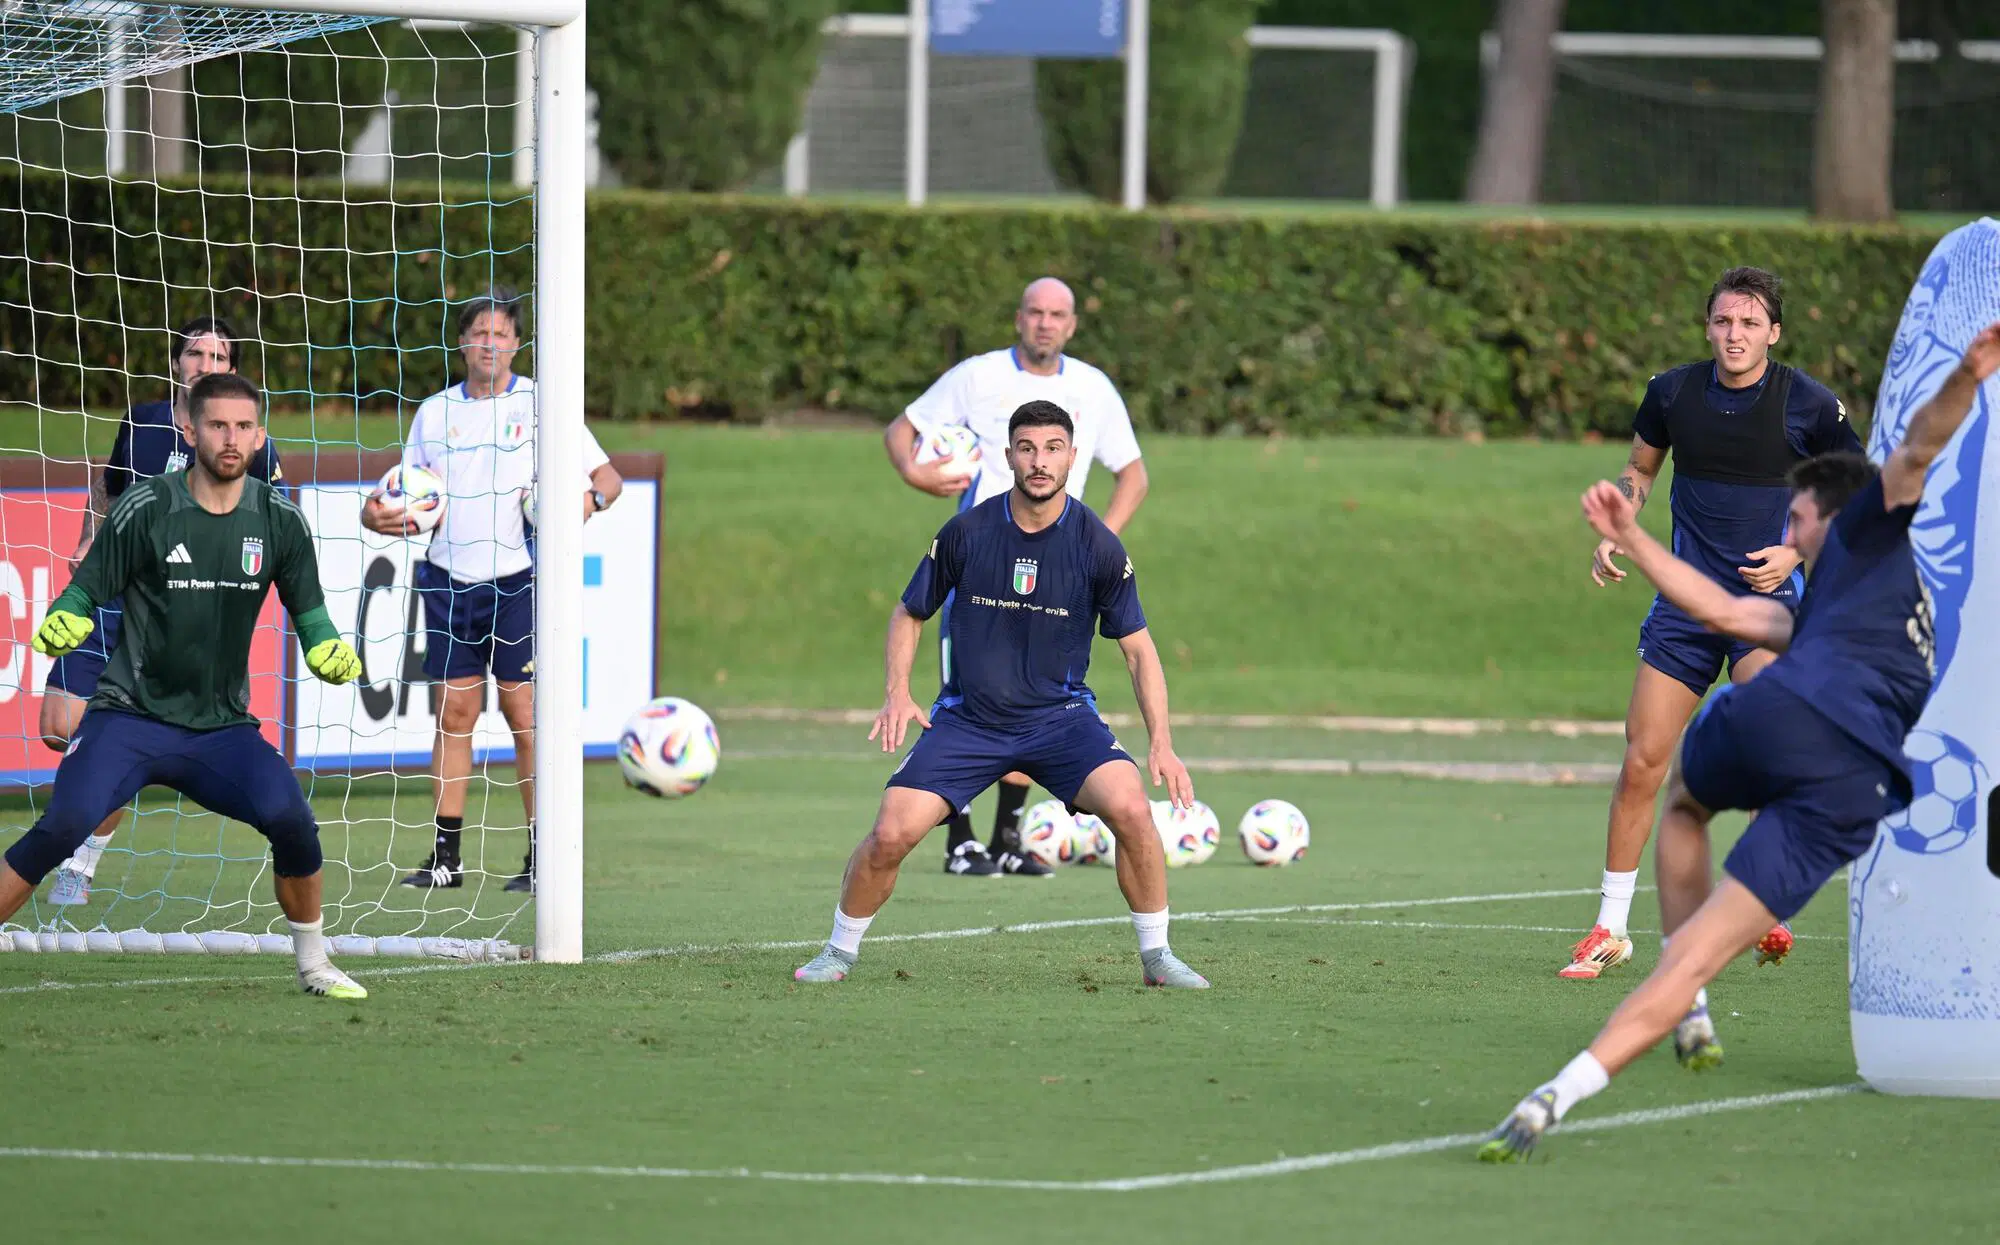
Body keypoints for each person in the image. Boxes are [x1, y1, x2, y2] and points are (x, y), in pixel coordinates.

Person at [1479, 321, 2000, 1163]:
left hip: (1780, 722)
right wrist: (1642, 537)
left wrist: (1971, 376)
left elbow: (1918, 445)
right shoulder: (1834, 598)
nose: (1789, 534)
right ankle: (1572, 1083)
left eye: (1797, 519)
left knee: (1681, 801)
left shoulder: (1869, 523)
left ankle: (1620, 1051)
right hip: (1848, 787)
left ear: (1835, 510)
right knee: (1693, 945)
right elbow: (1723, 611)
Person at [793, 399, 1207, 989]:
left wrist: (1162, 743)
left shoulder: (1098, 545)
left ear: (1071, 456)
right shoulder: (968, 532)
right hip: (970, 722)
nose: (1040, 462)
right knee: (890, 834)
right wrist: (897, 691)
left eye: (1053, 449)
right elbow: (909, 613)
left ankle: (1158, 958)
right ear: (1008, 454)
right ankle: (838, 952)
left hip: (1061, 720)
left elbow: (1139, 650)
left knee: (1134, 810)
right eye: (1028, 448)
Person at [8, 373, 366, 998]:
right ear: (191, 429)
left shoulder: (279, 519)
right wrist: (69, 613)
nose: (231, 439)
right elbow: (87, 585)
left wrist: (326, 648)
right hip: (129, 719)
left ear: (259, 438)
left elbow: (310, 613)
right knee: (61, 829)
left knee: (294, 824)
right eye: (218, 425)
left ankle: (314, 964)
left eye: (244, 427)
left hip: (222, 729)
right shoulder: (145, 508)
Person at [1562, 266, 1862, 980]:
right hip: (1684, 606)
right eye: (1725, 321)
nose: (1736, 334)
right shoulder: (1673, 393)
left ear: (1774, 333)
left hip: (1764, 609)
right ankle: (1608, 927)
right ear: (1708, 326)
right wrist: (1619, 524)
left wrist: (1795, 548)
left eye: (1750, 323)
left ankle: (1764, 907)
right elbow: (1641, 466)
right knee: (1643, 760)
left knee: (1763, 750)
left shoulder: (1809, 404)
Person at [882, 277, 1150, 878]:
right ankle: (961, 842)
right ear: (1018, 318)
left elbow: (1133, 474)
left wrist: (1091, 546)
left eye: (1057, 314)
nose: (1045, 323)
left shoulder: (1092, 389)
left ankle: (1006, 838)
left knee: (1043, 696)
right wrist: (917, 475)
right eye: (1035, 312)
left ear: (1072, 324)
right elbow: (900, 432)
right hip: (984, 568)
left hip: (1059, 579)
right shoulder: (977, 376)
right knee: (974, 697)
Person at [362, 287, 622, 895]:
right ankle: (446, 857)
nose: (489, 343)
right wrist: (378, 516)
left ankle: (542, 855)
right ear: (462, 342)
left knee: (524, 712)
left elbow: (608, 478)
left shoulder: (542, 403)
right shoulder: (433, 412)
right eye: (479, 332)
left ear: (517, 344)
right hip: (446, 579)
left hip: (519, 581)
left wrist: (585, 504)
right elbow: (405, 495)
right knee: (455, 713)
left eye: (500, 333)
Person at [39, 314, 284, 907]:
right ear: (177, 363)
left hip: (179, 617)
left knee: (112, 735)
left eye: (218, 357)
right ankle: (111, 778)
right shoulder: (143, 422)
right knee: (58, 727)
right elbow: (109, 488)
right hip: (114, 594)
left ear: (233, 370)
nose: (206, 365)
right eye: (196, 354)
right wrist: (89, 536)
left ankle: (80, 863)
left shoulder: (247, 440)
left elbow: (275, 521)